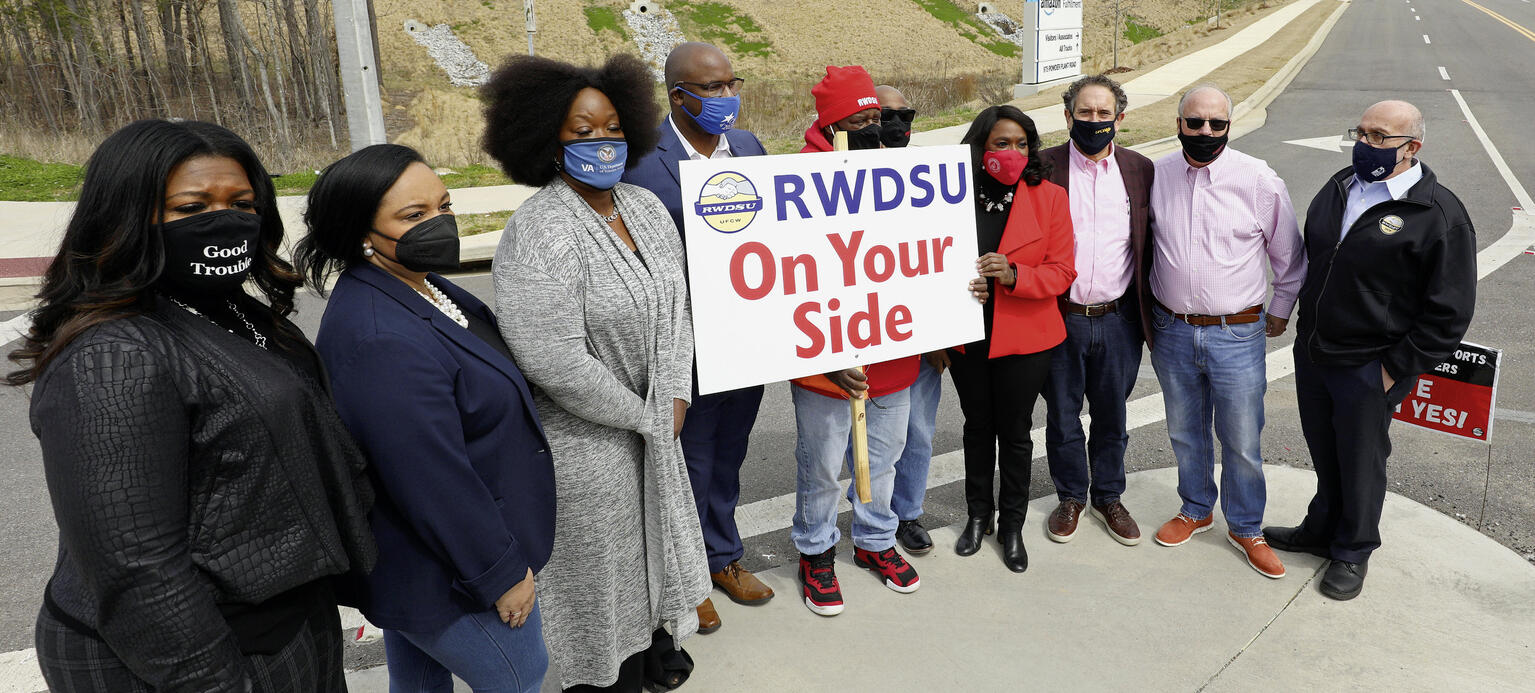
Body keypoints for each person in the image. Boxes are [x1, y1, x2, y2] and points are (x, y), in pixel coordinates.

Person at [7, 119, 376, 691]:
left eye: (242, 203)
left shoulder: (234, 312)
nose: (223, 220)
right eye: (190, 206)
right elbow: (137, 568)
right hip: (190, 657)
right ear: (126, 217)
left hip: (282, 619)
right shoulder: (114, 355)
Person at [482, 54, 708, 692]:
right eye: (582, 132)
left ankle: (655, 654)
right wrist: (644, 414)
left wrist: (674, 393)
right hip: (587, 450)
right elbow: (549, 355)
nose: (602, 142)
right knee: (602, 593)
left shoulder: (645, 208)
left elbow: (677, 309)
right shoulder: (540, 230)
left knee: (652, 567)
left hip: (657, 426)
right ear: (546, 141)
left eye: (611, 127)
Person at [294, 144, 555, 692]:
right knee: (521, 676)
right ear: (360, 232)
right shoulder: (381, 336)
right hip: (447, 570)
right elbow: (429, 477)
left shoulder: (418, 283)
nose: (440, 225)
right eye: (413, 217)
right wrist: (500, 573)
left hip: (430, 567)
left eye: (444, 206)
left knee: (418, 681)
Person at [1265, 100, 1476, 600]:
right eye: (1360, 133)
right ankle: (1320, 530)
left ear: (1412, 148)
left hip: (1370, 365)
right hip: (1316, 352)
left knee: (1361, 460)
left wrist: (1394, 368)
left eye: (1380, 137)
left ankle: (1353, 549)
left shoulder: (1438, 214)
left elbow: (1449, 311)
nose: (1365, 144)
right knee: (1325, 450)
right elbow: (1317, 257)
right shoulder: (1341, 186)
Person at [620, 42, 772, 634]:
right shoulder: (641, 164)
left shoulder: (751, 147)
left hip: (749, 334)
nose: (724, 98)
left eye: (731, 84)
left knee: (729, 453)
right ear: (676, 94)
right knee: (688, 459)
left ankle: (723, 557)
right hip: (685, 340)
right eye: (709, 89)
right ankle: (687, 579)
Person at [1146, 85, 1305, 579]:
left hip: (1237, 333)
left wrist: (1278, 310)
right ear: (1178, 124)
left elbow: (1291, 257)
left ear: (1229, 127)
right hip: (1172, 330)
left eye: (1217, 124)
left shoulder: (1257, 179)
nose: (1206, 132)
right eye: (1195, 123)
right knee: (1185, 433)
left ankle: (1246, 526)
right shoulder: (1158, 175)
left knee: (1240, 438)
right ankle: (1195, 509)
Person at [788, 65, 924, 618]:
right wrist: (827, 353)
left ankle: (875, 541)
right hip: (825, 361)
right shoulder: (796, 180)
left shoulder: (910, 175)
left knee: (885, 459)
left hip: (892, 355)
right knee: (821, 464)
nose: (875, 127)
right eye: (861, 119)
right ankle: (816, 551)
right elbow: (783, 281)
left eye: (880, 117)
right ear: (832, 123)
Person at [949, 105, 1076, 573]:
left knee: (1016, 433)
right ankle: (978, 516)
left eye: (1022, 144)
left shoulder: (1051, 197)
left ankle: (1012, 525)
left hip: (1026, 336)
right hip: (969, 334)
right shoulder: (949, 195)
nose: (1014, 152)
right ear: (981, 147)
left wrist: (1014, 274)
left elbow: (1062, 271)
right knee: (977, 428)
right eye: (1002, 143)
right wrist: (965, 282)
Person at [1039, 74, 1155, 546]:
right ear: (1068, 117)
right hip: (1058, 316)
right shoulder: (1042, 167)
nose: (1093, 121)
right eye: (1084, 113)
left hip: (1118, 318)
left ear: (1119, 119)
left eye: (1103, 114)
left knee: (1112, 415)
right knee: (1062, 416)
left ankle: (1109, 495)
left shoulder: (1140, 170)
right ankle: (1071, 496)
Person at [865, 82, 940, 556]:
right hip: (860, 333)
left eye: (903, 115)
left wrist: (943, 335)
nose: (894, 125)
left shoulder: (932, 180)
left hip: (920, 337)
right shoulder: (837, 176)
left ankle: (906, 514)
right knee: (862, 441)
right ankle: (864, 519)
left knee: (917, 433)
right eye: (882, 116)